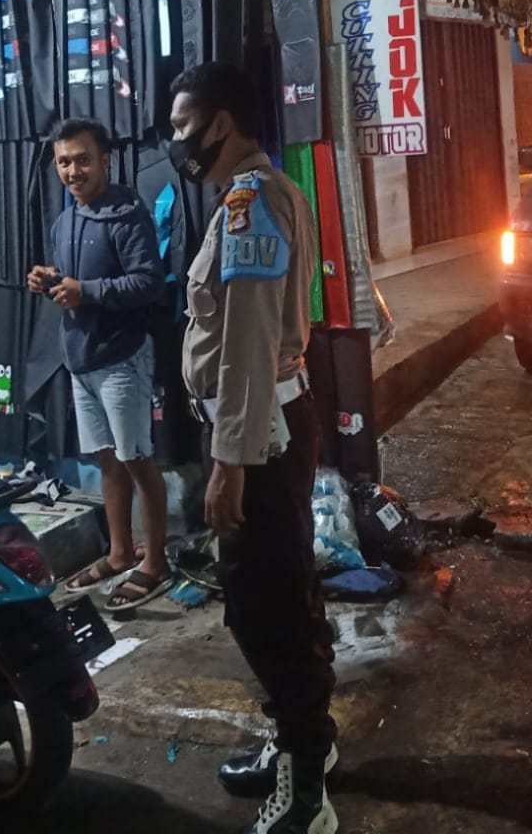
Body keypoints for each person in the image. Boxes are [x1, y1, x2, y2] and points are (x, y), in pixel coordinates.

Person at [169, 62, 339, 834]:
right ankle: (305, 742)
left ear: (223, 124)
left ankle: (306, 797)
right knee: (277, 593)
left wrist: (228, 463)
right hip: (264, 424)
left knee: (265, 609)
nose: (179, 141)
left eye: (184, 126)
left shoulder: (249, 203)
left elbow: (246, 342)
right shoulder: (264, 194)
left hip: (258, 434)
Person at [26, 119, 172, 613]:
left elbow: (149, 283)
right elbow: (74, 282)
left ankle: (156, 562)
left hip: (121, 358)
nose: (73, 171)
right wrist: (49, 279)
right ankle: (119, 553)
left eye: (83, 160)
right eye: (64, 162)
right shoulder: (65, 221)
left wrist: (85, 291)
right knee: (107, 460)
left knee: (137, 460)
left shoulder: (127, 214)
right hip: (80, 360)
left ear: (105, 160)